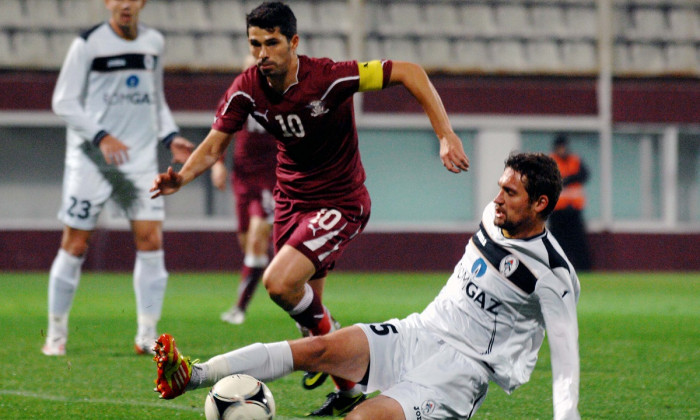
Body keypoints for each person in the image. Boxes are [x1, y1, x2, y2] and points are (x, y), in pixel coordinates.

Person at [150, 1, 469, 415]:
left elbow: (410, 71)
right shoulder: (246, 87)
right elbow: (213, 146)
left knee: (280, 283)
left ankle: (328, 335)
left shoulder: (330, 77)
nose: (262, 54)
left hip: (340, 201)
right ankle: (350, 392)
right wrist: (182, 177)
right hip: (291, 202)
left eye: (272, 43)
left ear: (293, 42)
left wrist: (445, 134)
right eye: (254, 44)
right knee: (302, 309)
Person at [153, 152, 581, 420]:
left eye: (510, 192)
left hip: (460, 371)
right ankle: (194, 375)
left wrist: (567, 416)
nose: (498, 198)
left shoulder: (554, 276)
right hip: (420, 331)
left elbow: (565, 359)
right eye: (500, 187)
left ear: (540, 204)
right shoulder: (494, 215)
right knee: (317, 350)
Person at [42, 0, 194, 357]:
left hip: (139, 158)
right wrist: (101, 136)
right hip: (92, 158)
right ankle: (56, 333)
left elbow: (156, 101)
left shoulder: (154, 42)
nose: (125, 4)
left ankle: (146, 333)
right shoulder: (88, 43)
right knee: (76, 244)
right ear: (107, 2)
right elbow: (63, 101)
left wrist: (171, 137)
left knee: (150, 240)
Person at [210, 56, 277, 325]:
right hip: (243, 179)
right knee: (247, 243)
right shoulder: (236, 97)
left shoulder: (280, 97)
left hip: (270, 180)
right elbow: (220, 133)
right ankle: (281, 266)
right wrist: (217, 164)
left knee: (257, 239)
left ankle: (239, 308)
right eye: (250, 68)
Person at [548, 135, 592, 271]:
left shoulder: (575, 160)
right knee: (557, 243)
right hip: (557, 211)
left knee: (578, 242)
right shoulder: (551, 161)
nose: (562, 149)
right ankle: (556, 269)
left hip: (574, 211)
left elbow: (585, 175)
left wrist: (569, 179)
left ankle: (583, 269)